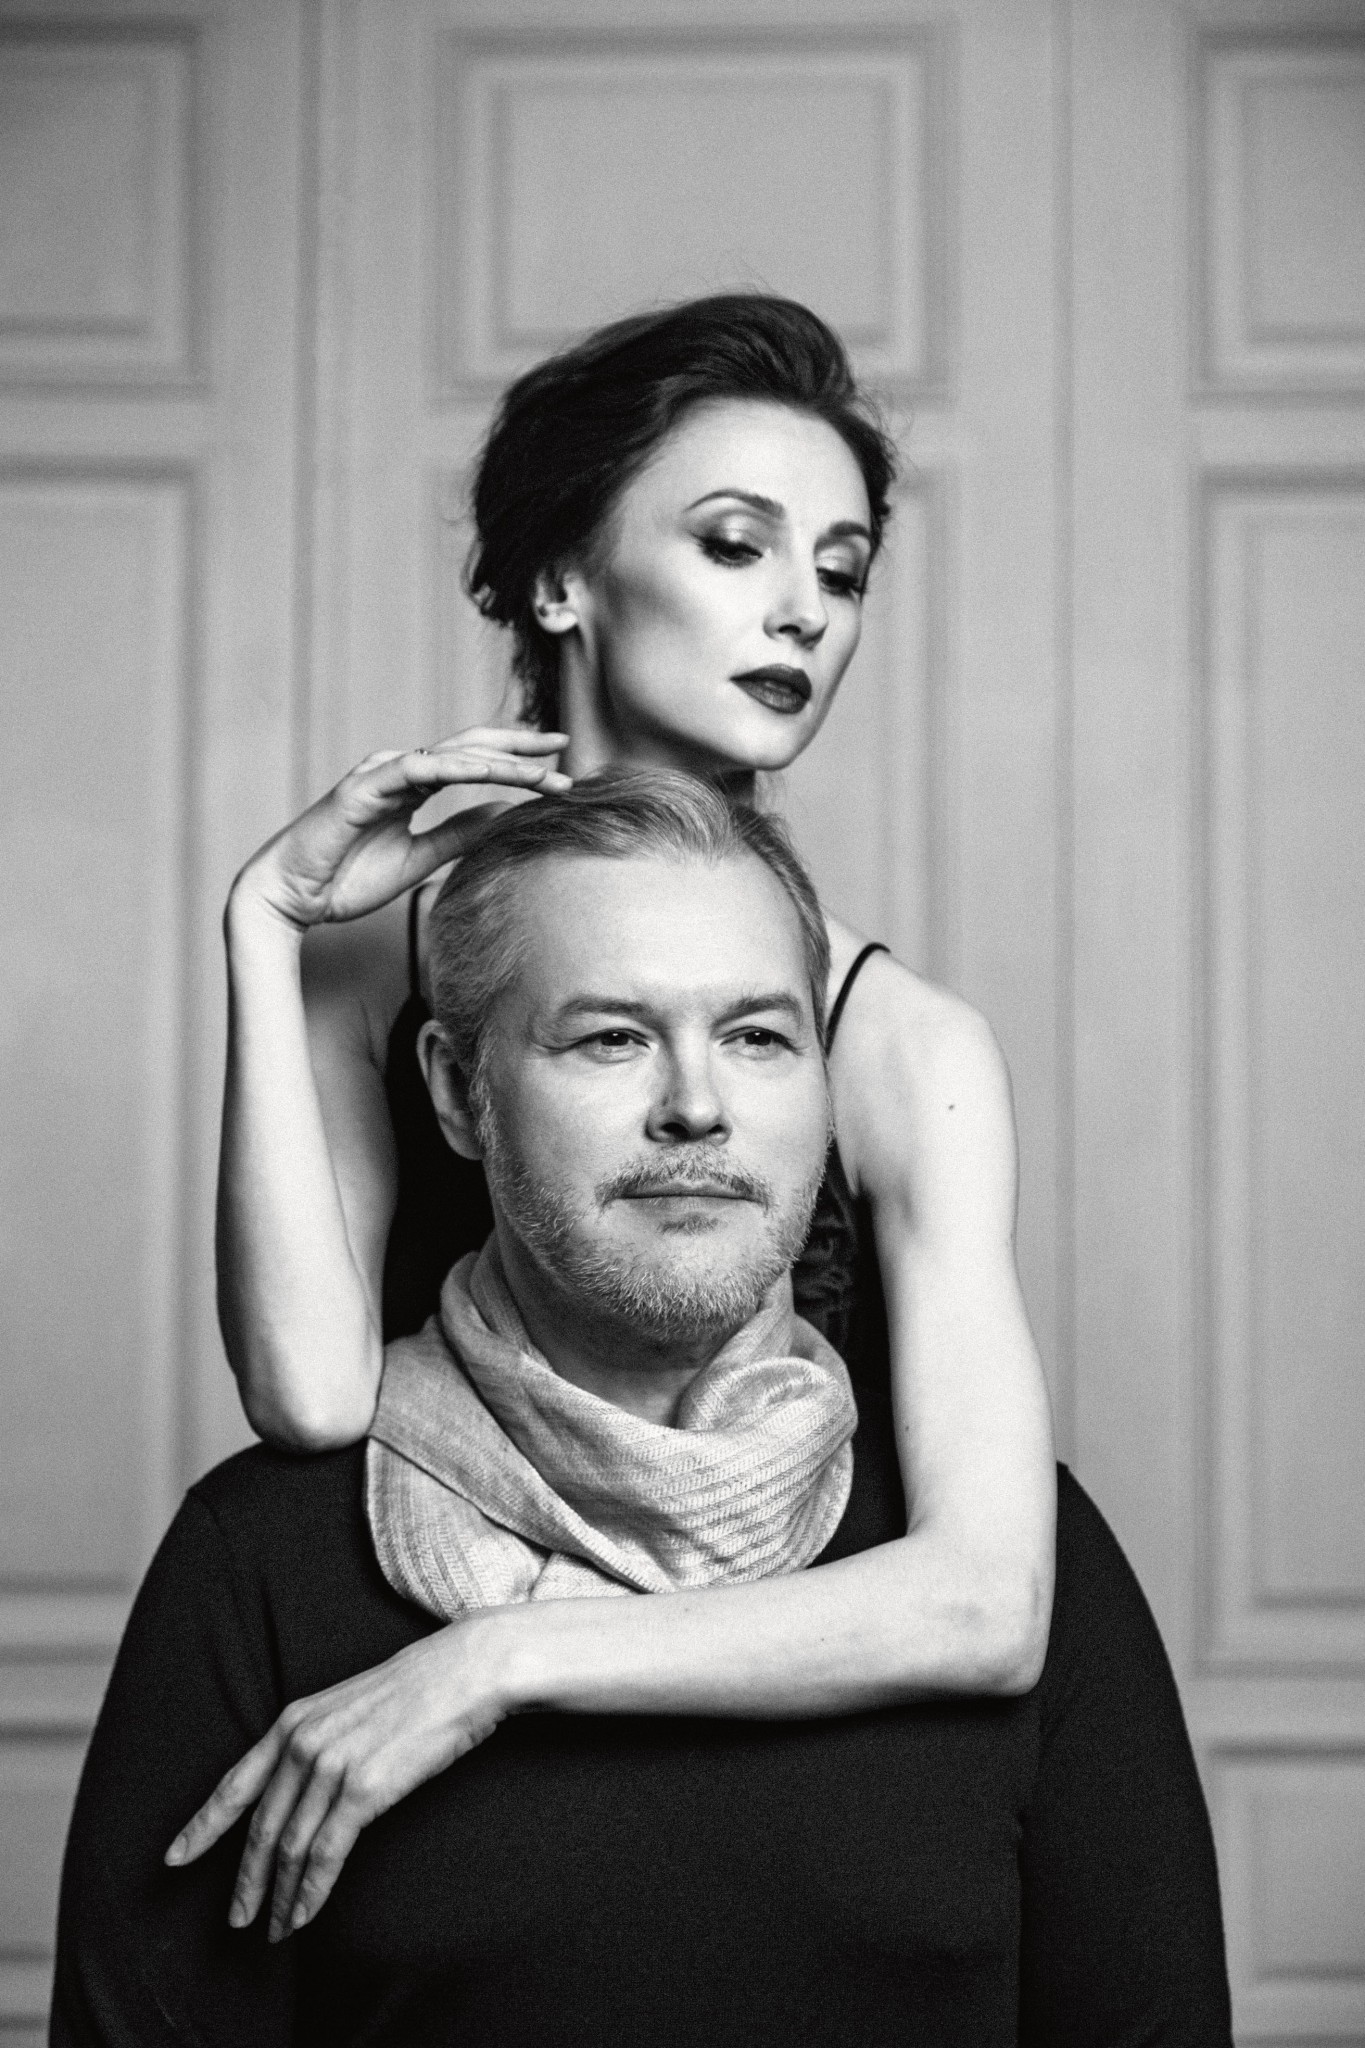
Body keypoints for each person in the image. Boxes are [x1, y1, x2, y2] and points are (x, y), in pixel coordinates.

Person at [53, 775, 1231, 2046]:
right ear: (455, 1092)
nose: (697, 1105)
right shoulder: (264, 1564)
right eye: (612, 1037)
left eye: (759, 1037)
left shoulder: (1018, 1543)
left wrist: (503, 1661)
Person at [217, 294, 1056, 1738]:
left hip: (809, 1746)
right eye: (735, 545)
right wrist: (263, 922)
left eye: (842, 571)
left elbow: (988, 1603)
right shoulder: (368, 973)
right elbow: (308, 1402)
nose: (804, 610)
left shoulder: (906, 1044)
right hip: (403, 1677)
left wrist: (506, 1660)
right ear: (561, 580)